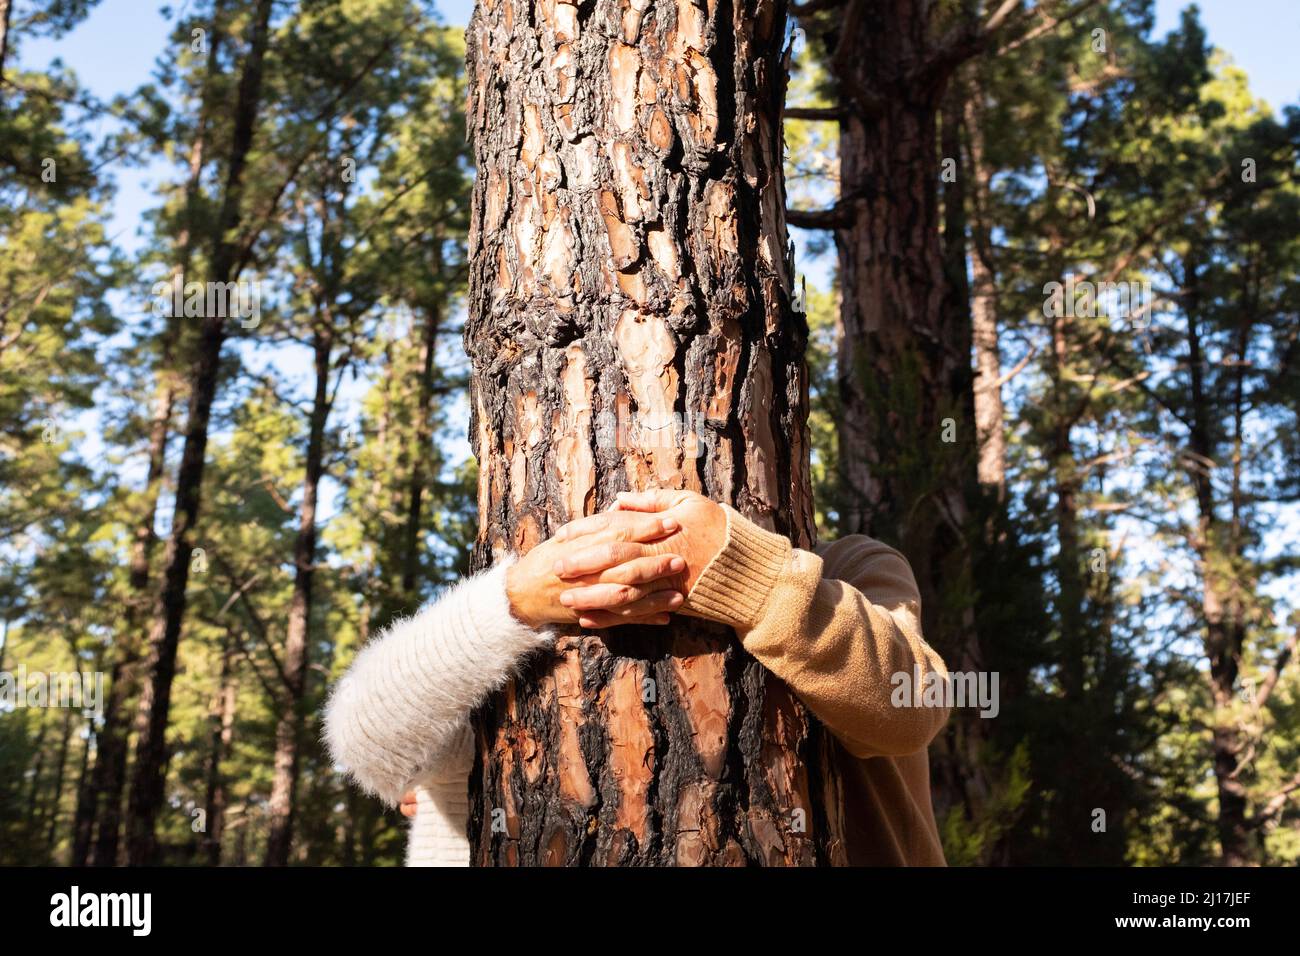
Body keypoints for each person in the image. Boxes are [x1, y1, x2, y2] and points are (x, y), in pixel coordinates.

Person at [323, 489, 951, 866]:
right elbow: (364, 741)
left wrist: (748, 575)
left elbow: (914, 707)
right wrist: (513, 602)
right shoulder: (505, 657)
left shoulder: (849, 569)